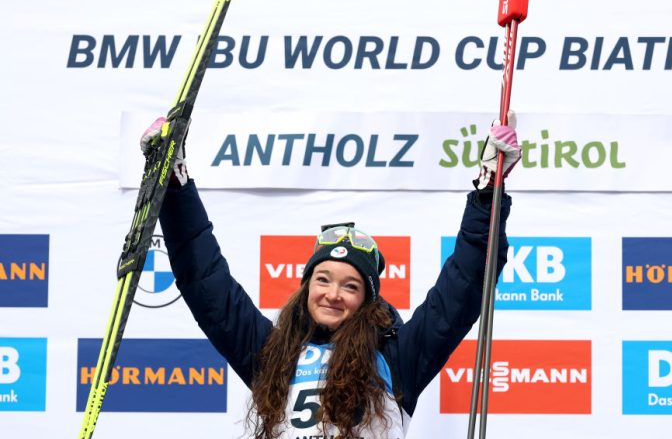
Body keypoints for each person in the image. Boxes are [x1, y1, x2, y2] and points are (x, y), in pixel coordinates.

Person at [144, 114, 521, 438]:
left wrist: (489, 190)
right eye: (322, 279)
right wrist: (175, 187)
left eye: (350, 285)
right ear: (306, 287)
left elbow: (463, 286)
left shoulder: (398, 356)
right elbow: (207, 283)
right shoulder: (273, 354)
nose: (332, 294)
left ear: (368, 302)